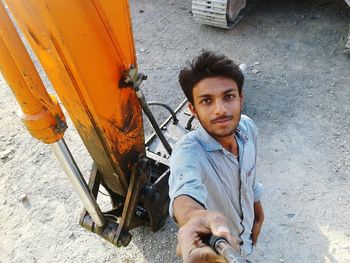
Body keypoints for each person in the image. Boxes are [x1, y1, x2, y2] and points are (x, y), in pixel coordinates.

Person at [168, 51, 264, 262]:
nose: (220, 110)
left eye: (228, 97)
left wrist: (257, 211)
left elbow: (251, 179)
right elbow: (184, 195)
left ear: (241, 98)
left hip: (244, 239)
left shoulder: (248, 128)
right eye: (206, 101)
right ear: (192, 109)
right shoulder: (188, 152)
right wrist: (194, 218)